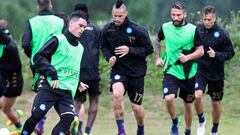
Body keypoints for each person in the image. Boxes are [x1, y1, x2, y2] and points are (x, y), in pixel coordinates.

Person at [20, 11, 88, 135]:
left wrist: (78, 82)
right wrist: (51, 72)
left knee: (68, 118)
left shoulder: (80, 48)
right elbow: (38, 57)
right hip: (51, 86)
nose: (82, 29)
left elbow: (71, 67)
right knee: (37, 115)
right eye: (80, 25)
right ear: (71, 24)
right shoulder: (58, 39)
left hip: (67, 92)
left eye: (84, 27)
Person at [101, 0, 153, 135]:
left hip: (137, 72)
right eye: (115, 16)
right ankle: (121, 131)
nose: (117, 19)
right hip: (119, 70)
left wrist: (129, 50)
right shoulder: (107, 29)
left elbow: (148, 49)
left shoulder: (138, 30)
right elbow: (104, 46)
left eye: (120, 16)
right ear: (112, 14)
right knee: (117, 94)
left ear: (126, 14)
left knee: (136, 107)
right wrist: (109, 57)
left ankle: (140, 128)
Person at [155, 2, 204, 135]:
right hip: (171, 70)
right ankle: (175, 122)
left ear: (185, 15)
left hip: (189, 73)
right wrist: (158, 58)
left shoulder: (193, 30)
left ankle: (187, 131)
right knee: (169, 98)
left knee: (188, 104)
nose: (175, 18)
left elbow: (201, 51)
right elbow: (158, 40)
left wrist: (188, 58)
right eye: (173, 15)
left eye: (178, 15)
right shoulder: (165, 27)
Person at [21, 0, 64, 134]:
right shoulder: (60, 22)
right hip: (56, 64)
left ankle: (39, 123)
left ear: (37, 6)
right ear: (50, 5)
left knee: (42, 92)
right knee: (57, 92)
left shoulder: (32, 22)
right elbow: (66, 41)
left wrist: (32, 56)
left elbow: (25, 43)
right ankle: (68, 118)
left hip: (38, 64)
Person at [194, 6, 235, 135]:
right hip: (200, 70)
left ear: (215, 18)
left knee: (216, 103)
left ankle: (214, 130)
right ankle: (201, 121)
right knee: (197, 95)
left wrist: (216, 55)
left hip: (216, 73)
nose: (207, 22)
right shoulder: (198, 29)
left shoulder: (222, 33)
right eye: (205, 19)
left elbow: (230, 53)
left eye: (209, 19)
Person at [71, 3, 101, 135]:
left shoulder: (74, 29)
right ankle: (87, 131)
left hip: (78, 71)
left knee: (77, 102)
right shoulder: (96, 28)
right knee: (94, 101)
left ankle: (76, 127)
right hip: (93, 71)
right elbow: (102, 46)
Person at [0, 19, 24, 134]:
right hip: (5, 80)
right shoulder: (4, 42)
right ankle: (16, 112)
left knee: (6, 109)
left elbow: (17, 65)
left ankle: (20, 129)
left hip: (13, 82)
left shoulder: (10, 47)